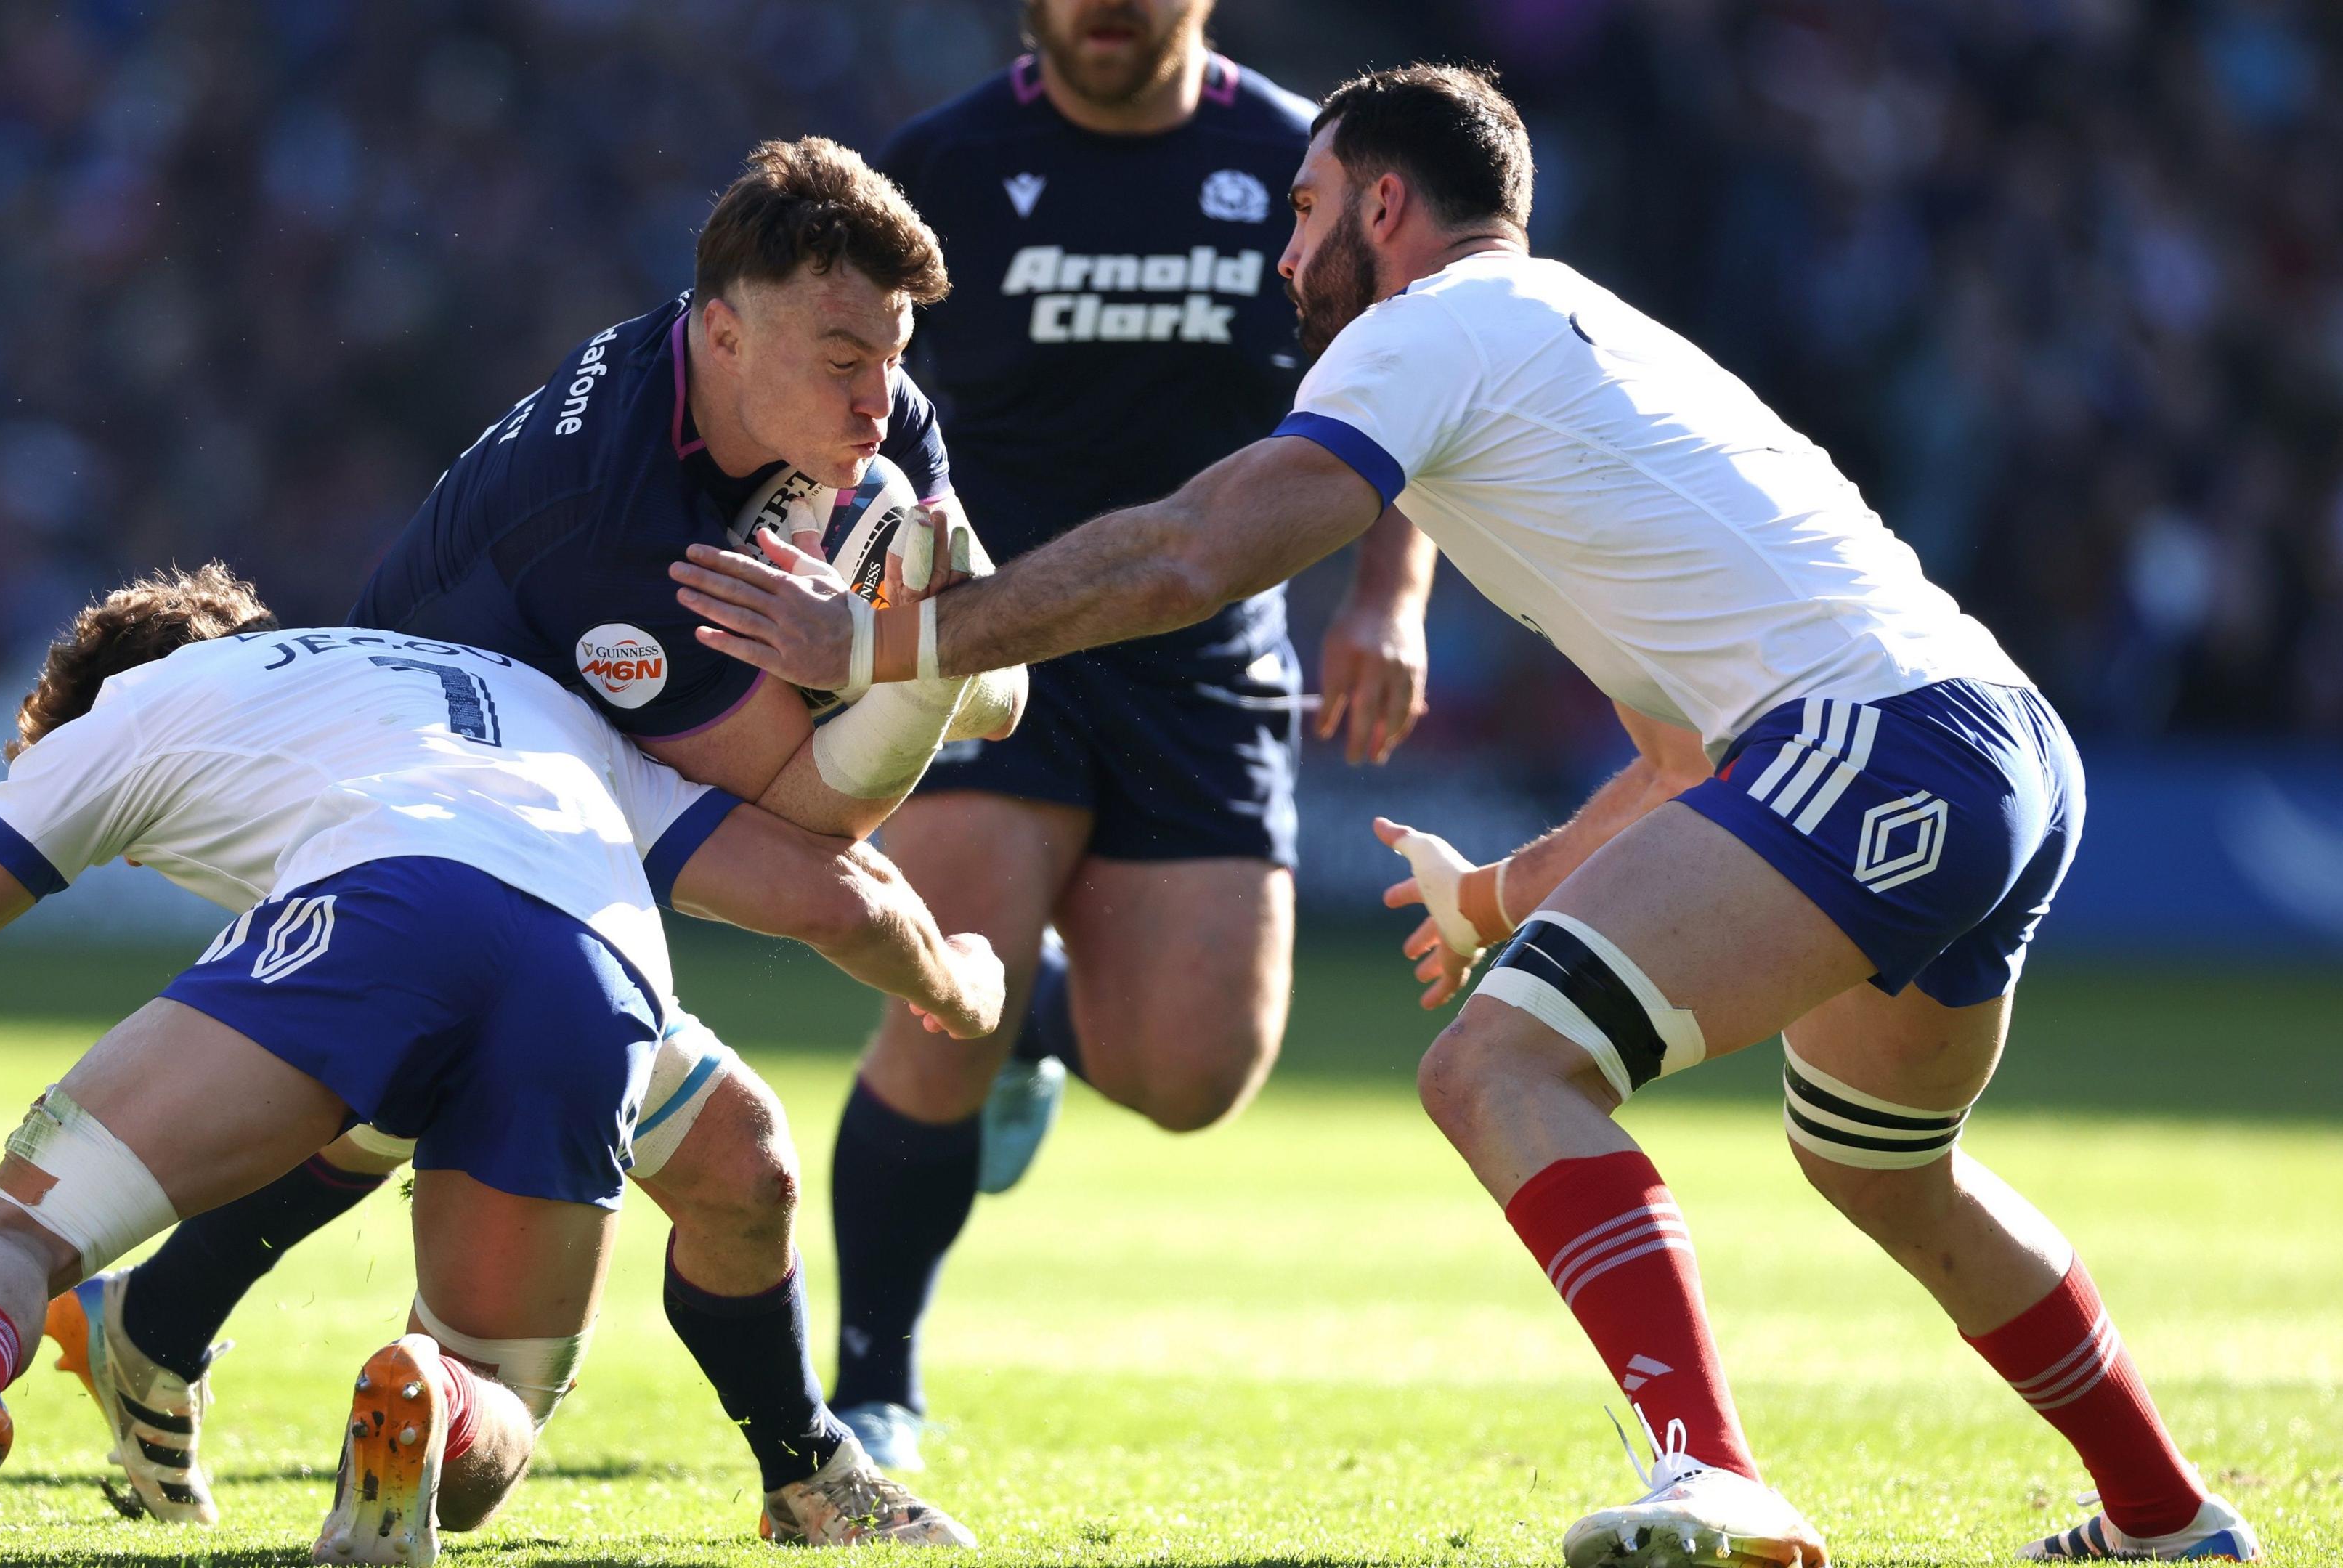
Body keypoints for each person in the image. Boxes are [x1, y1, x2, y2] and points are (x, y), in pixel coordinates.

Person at [670, 62, 2264, 1567]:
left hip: (1876, 748)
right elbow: (1681, 758)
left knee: (1500, 1067)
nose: (1285, 253)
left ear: (1384, 206)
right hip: (1988, 746)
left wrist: (880, 644)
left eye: (1305, 211)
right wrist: (1500, 896)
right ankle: (2164, 1514)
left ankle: (1713, 1468)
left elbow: (1192, 551)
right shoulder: (1577, 336)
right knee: (1887, 1170)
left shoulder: (1426, 325)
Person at [39, 137, 1031, 1526]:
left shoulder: (845, 392)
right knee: (653, 1120)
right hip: (452, 812)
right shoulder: (610, 528)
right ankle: (558, 1429)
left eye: (891, 356)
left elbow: (972, 635)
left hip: (531, 794)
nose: (879, 398)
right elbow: (822, 819)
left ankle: (155, 1324)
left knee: (696, 1158)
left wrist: (915, 644)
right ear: (726, 335)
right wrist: (898, 678)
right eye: (844, 362)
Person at [0, 566, 999, 1567]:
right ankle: (429, 1390)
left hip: (376, 922)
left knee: (7, 1237)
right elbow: (820, 894)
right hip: (595, 967)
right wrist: (955, 983)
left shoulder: (132, 715)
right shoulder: (515, 695)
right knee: (512, 1396)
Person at [824, 0, 1437, 1467]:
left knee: (1191, 1077)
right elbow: (830, 390)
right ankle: (874, 1389)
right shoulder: (942, 167)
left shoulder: (1303, 164)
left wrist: (1391, 595)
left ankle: (1041, 1019)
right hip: (987, 639)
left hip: (1205, 654)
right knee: (946, 994)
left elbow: (1415, 380)